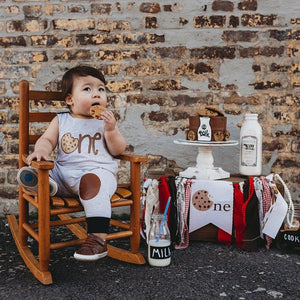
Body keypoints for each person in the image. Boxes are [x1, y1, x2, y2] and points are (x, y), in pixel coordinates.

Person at [17, 65, 126, 261]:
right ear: (70, 99)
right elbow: (47, 140)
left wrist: (111, 130)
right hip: (64, 174)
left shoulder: (105, 122)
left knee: (92, 183)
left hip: (97, 175)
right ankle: (45, 184)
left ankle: (98, 240)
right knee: (47, 171)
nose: (97, 94)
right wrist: (41, 151)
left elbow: (119, 150)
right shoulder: (61, 120)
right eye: (87, 89)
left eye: (101, 89)